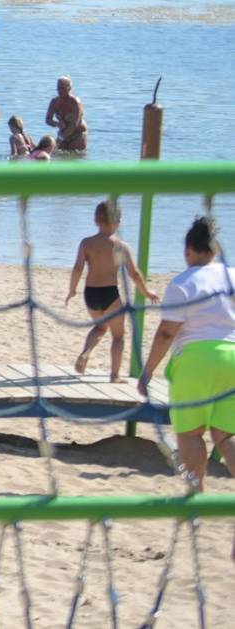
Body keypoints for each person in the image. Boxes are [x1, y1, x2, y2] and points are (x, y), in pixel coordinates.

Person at [138, 216, 235, 560]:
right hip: (233, 357)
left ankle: (195, 500)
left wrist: (147, 371)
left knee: (191, 435)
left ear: (188, 250)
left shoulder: (182, 282)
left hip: (197, 359)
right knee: (226, 436)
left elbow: (167, 332)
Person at [69, 199, 155, 382]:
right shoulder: (120, 246)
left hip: (90, 293)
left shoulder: (86, 243)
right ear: (119, 221)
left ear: (96, 220)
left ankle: (85, 352)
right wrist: (146, 292)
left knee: (100, 327)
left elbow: (77, 268)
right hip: (110, 293)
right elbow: (134, 274)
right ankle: (115, 375)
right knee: (118, 336)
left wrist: (72, 290)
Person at [47, 77, 90, 153]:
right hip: (63, 134)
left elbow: (74, 124)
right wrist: (57, 124)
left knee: (75, 156)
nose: (60, 91)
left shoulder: (75, 102)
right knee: (57, 155)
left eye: (63, 88)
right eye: (58, 88)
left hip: (78, 134)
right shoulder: (54, 102)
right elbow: (48, 120)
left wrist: (61, 138)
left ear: (69, 88)